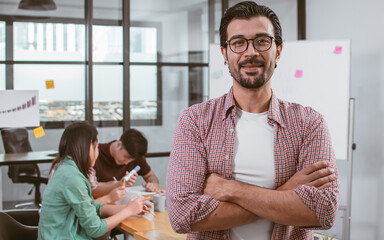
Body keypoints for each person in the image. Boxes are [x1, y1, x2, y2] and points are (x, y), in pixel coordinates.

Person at [166, 1, 339, 239]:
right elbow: (182, 216)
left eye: (262, 41)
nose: (250, 52)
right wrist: (285, 193)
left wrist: (231, 189)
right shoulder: (195, 121)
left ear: (278, 50)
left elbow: (323, 212)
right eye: (238, 43)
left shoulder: (309, 123)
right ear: (224, 53)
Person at [38, 121, 152, 240]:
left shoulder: (68, 169)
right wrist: (128, 211)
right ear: (87, 147)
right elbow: (96, 229)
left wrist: (132, 208)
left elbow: (91, 207)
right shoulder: (73, 178)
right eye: (96, 147)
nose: (97, 152)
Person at [91, 128, 163, 201]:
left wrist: (153, 184)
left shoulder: (136, 156)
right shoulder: (95, 153)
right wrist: (119, 184)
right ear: (119, 144)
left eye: (131, 160)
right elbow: (91, 190)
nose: (127, 163)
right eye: (126, 157)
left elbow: (150, 176)